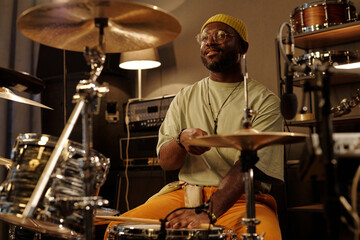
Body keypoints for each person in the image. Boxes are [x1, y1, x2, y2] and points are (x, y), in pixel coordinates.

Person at [104, 13, 283, 240]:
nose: (210, 41)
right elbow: (167, 162)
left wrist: (208, 212)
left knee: (265, 235)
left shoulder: (265, 101)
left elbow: (249, 168)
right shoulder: (184, 97)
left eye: (221, 35)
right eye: (204, 37)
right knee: (116, 230)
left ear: (243, 47)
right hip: (183, 194)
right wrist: (180, 140)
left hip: (241, 200)